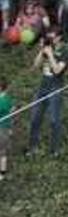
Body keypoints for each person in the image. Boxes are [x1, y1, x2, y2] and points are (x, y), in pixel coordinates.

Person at [27, 27, 66, 156]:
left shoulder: (65, 50)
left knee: (55, 120)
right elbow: (35, 65)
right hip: (42, 87)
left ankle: (55, 150)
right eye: (48, 36)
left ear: (59, 37)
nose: (50, 38)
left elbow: (57, 70)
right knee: (35, 118)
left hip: (56, 88)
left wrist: (50, 55)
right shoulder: (48, 47)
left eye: (52, 36)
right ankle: (33, 148)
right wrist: (42, 50)